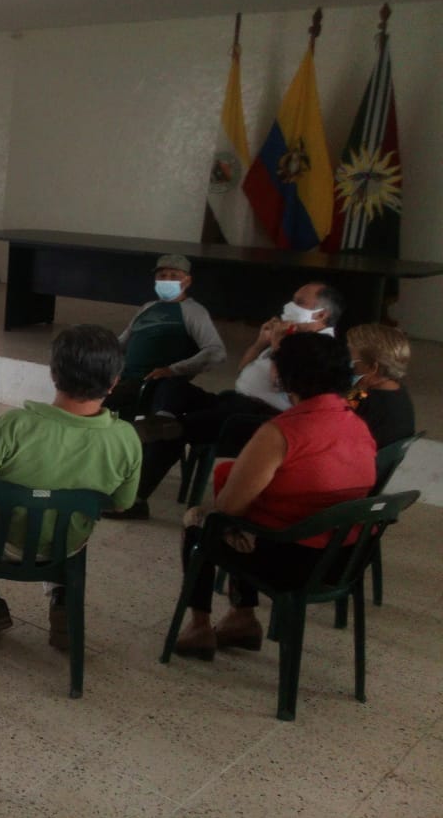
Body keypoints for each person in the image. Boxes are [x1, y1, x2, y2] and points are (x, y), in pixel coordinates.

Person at [0, 324, 141, 649]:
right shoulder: (126, 438)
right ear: (114, 382)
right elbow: (121, 503)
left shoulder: (15, 425)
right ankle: (62, 599)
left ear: (53, 374)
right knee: (58, 516)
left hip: (0, 541)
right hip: (66, 546)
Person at [173, 332, 376, 659]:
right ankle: (240, 620)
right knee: (253, 514)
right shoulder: (357, 425)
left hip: (294, 562)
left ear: (287, 375)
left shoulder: (282, 432)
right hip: (345, 559)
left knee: (202, 521)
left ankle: (200, 625)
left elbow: (228, 507)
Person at [124, 282, 343, 514]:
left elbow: (284, 384)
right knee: (172, 385)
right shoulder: (293, 335)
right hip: (234, 401)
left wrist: (279, 345)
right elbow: (243, 371)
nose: (289, 306)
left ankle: (137, 496)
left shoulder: (322, 349)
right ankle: (165, 420)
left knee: (178, 430)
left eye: (299, 302)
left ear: (321, 314)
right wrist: (261, 342)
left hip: (260, 418)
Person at [103, 253, 226, 422]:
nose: (167, 280)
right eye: (162, 275)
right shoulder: (148, 307)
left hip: (151, 383)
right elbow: (121, 343)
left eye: (174, 276)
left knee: (94, 403)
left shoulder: (193, 311)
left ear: (187, 281)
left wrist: (173, 370)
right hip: (123, 378)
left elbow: (216, 352)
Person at [346, 323, 415, 449]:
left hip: (361, 457)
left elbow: (340, 419)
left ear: (373, 368)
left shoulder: (371, 403)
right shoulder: (396, 388)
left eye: (351, 362)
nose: (347, 364)